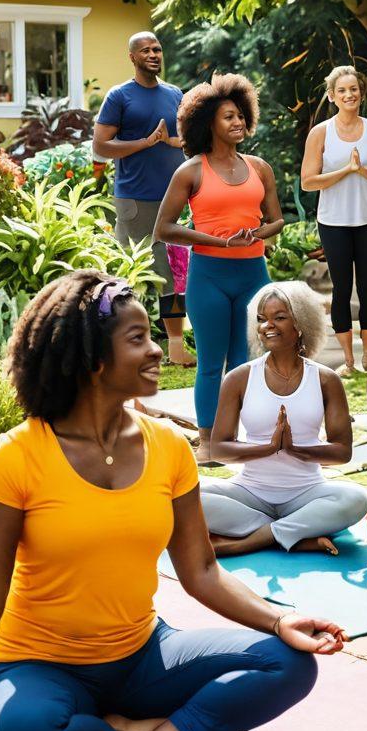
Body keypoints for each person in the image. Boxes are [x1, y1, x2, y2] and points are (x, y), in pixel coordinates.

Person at [0, 272, 345, 731]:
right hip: (35, 662)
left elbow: (203, 571)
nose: (156, 351)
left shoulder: (168, 446)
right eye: (138, 339)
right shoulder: (17, 456)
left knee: (288, 663)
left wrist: (279, 618)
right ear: (92, 359)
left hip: (142, 655)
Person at [154, 74, 284, 461]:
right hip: (209, 276)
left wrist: (258, 232)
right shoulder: (191, 171)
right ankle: (208, 440)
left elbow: (277, 219)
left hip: (253, 275)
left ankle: (236, 434)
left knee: (244, 362)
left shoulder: (260, 167)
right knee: (211, 363)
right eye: (229, 117)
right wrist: (218, 241)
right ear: (208, 122)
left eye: (242, 116)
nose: (238, 123)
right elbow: (164, 228)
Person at [204, 282, 367, 555]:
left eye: (279, 317)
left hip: (306, 493)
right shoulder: (239, 378)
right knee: (183, 499)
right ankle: (295, 533)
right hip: (249, 493)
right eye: (261, 319)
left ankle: (253, 539)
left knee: (355, 499)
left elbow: (342, 452)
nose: (268, 325)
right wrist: (269, 448)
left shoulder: (326, 379)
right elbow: (219, 448)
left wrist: (294, 449)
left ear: (301, 323)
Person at [93, 31, 195, 367]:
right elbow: (101, 146)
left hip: (172, 198)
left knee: (172, 274)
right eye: (146, 50)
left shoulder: (173, 94)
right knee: (131, 274)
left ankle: (176, 347)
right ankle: (126, 347)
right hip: (135, 198)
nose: (154, 54)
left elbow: (184, 141)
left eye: (157, 49)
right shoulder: (119, 96)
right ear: (132, 57)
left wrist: (168, 142)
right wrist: (145, 142)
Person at [300, 65, 367, 374]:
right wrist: (345, 170)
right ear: (332, 96)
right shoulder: (321, 133)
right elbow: (308, 181)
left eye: (354, 89)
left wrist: (365, 171)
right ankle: (347, 361)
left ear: (361, 93)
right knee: (341, 290)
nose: (349, 95)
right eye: (342, 90)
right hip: (334, 222)